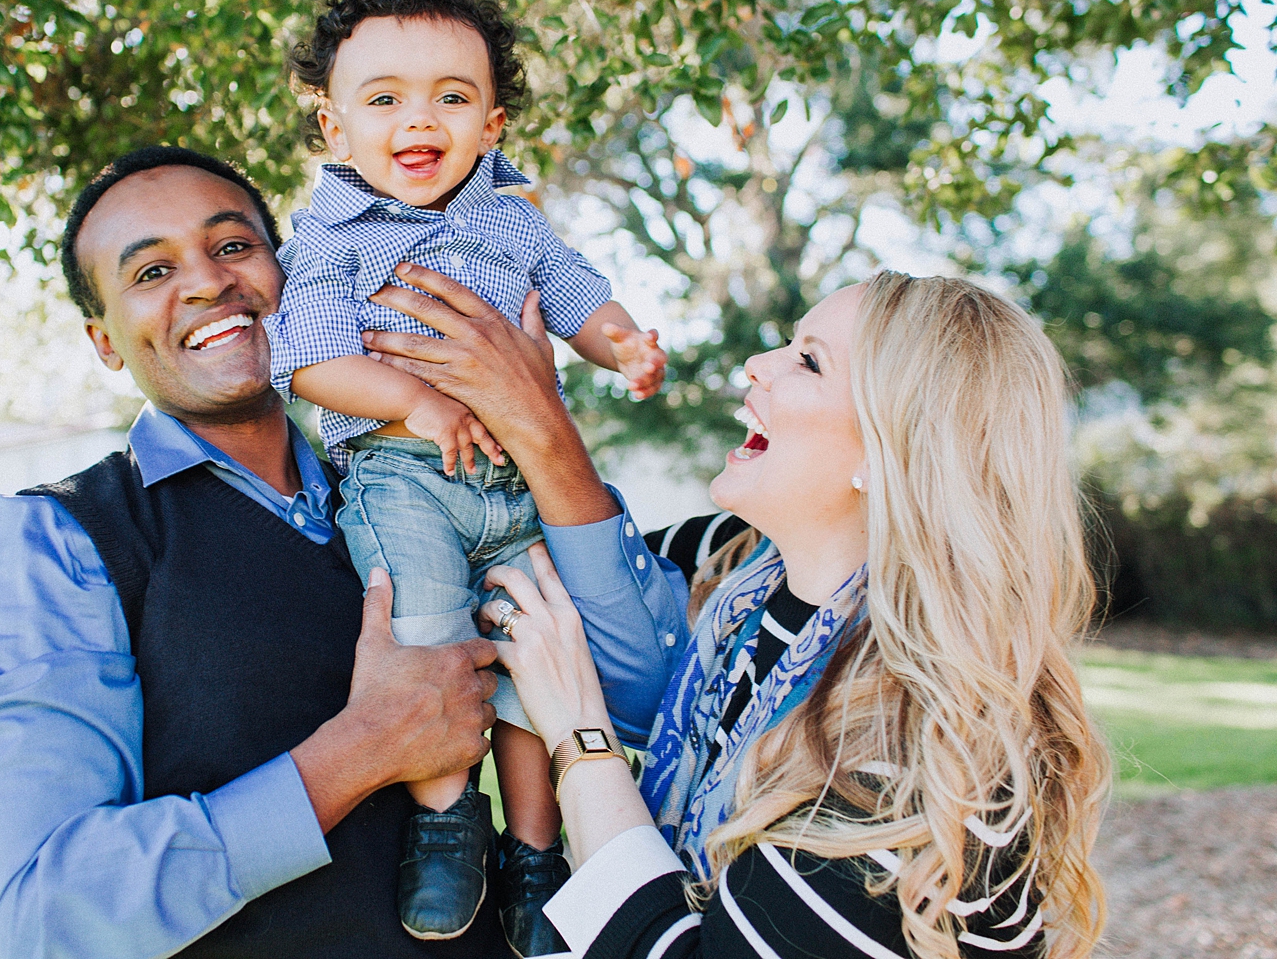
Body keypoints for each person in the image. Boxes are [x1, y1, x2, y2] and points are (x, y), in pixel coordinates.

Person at [0, 145, 687, 959]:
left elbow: (645, 697)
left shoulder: (416, 491)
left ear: (288, 274)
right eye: (150, 274)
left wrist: (541, 423)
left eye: (233, 247)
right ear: (105, 340)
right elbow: (37, 923)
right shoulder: (61, 538)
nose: (206, 282)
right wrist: (358, 753)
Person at [441, 273, 1112, 958]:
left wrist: (581, 737)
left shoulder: (915, 758)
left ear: (894, 453)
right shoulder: (730, 572)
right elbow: (590, 582)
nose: (756, 366)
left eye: (808, 360)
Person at [263, 0, 668, 954]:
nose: (420, 120)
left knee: (541, 655)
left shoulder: (514, 219)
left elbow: (573, 294)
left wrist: (619, 341)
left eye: (453, 97)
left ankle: (536, 851)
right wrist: (412, 399)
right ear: (333, 124)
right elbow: (310, 360)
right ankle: (450, 819)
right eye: (386, 98)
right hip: (407, 479)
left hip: (517, 485)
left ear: (493, 125)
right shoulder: (325, 236)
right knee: (433, 636)